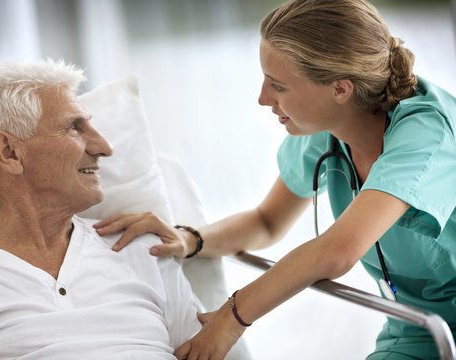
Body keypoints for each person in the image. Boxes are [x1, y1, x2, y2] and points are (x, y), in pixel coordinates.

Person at [93, 0, 456, 359]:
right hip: (417, 327)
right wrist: (190, 239)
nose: (262, 98)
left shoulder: (426, 136)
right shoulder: (328, 131)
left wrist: (231, 319)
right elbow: (267, 222)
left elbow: (337, 252)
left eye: (277, 86)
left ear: (341, 89)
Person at [0, 60, 202, 360]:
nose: (104, 147)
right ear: (9, 152)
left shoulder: (144, 250)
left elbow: (204, 352)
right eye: (74, 127)